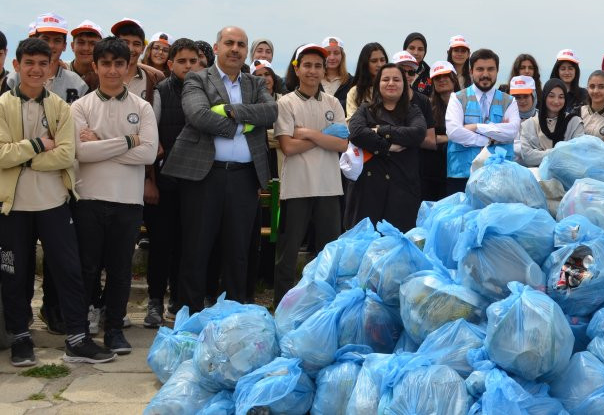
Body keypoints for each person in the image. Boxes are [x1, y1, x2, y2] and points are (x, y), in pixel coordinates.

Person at [0, 38, 115, 366]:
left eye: (43, 63)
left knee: (69, 271)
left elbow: (67, 155)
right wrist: (38, 144)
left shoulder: (61, 107)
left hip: (53, 202)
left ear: (52, 66)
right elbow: (0, 155)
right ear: (17, 66)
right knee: (14, 273)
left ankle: (77, 339)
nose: (36, 70)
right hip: (13, 206)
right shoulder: (2, 105)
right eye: (29, 63)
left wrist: (20, 155)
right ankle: (21, 338)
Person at [161, 26, 278, 311]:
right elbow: (199, 115)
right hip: (204, 176)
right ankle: (189, 316)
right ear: (216, 48)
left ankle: (233, 317)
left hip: (244, 178)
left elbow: (271, 112)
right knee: (196, 249)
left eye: (241, 44)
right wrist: (246, 123)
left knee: (238, 252)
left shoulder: (256, 83)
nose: (235, 49)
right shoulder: (197, 78)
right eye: (229, 43)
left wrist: (227, 110)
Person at [72, 37, 157, 355]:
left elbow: (148, 154)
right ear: (95, 66)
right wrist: (128, 141)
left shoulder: (142, 107)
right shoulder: (81, 106)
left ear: (127, 66)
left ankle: (115, 330)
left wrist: (100, 142)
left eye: (118, 63)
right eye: (105, 63)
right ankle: (81, 330)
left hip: (128, 201)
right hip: (89, 198)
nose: (112, 70)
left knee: (121, 270)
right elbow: (80, 152)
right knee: (87, 268)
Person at [272, 44, 348, 305]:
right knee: (288, 253)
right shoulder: (286, 103)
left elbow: (343, 145)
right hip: (297, 187)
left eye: (318, 66)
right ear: (297, 69)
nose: (313, 71)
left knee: (328, 253)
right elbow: (288, 147)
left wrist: (307, 133)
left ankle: (326, 306)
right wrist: (325, 136)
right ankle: (282, 306)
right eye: (307, 65)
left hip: (329, 187)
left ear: (324, 69)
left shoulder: (333, 103)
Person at [145, 38, 200, 327]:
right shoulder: (161, 92)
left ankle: (179, 300)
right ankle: (155, 299)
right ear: (170, 64)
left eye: (193, 61)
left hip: (196, 182)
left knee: (187, 244)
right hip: (165, 180)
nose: (188, 66)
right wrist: (150, 181)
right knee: (161, 244)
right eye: (182, 61)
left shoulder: (206, 91)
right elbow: (151, 141)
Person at [345, 63, 427, 231]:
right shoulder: (365, 109)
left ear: (404, 84)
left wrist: (381, 130)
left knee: (399, 241)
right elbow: (356, 133)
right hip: (368, 190)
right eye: (386, 79)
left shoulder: (413, 111)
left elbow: (418, 133)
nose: (391, 83)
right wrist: (387, 146)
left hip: (402, 188)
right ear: (377, 84)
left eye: (396, 79)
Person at [445, 49, 519, 194]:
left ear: (497, 71)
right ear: (471, 71)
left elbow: (512, 131)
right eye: (480, 69)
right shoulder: (457, 98)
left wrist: (475, 127)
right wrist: (489, 139)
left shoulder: (509, 101)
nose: (485, 74)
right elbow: (454, 132)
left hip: (500, 175)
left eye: (490, 69)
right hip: (462, 175)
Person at [5, 13, 88, 104]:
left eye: (57, 40)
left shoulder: (77, 83)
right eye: (45, 39)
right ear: (34, 40)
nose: (51, 45)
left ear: (64, 46)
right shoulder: (13, 79)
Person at [392, 51, 438, 200]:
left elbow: (431, 142)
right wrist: (414, 135)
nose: (406, 75)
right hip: (387, 169)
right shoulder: (380, 99)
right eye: (401, 71)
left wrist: (398, 135)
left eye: (411, 72)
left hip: (415, 170)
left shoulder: (423, 101)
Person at [518, 79, 584, 167]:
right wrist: (561, 152)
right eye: (551, 96)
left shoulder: (575, 122)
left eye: (561, 97)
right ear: (544, 97)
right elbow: (528, 157)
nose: (556, 101)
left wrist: (540, 154)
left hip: (567, 173)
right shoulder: (529, 124)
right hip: (536, 174)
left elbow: (578, 153)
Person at [109, 18, 162, 120]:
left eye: (136, 44)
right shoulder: (98, 77)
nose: (130, 49)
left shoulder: (152, 80)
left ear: (143, 48)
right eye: (125, 42)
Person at [423, 61, 459, 201]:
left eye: (446, 76)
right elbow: (423, 138)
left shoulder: (467, 103)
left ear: (454, 78)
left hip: (458, 170)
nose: (442, 80)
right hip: (431, 170)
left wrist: (442, 138)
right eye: (437, 77)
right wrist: (454, 136)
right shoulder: (427, 106)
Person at [344, 42, 388, 120]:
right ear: (365, 64)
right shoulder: (355, 92)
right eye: (374, 61)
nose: (380, 64)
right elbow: (352, 121)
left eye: (382, 60)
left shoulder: (391, 87)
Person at [549, 49, 588, 115]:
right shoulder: (548, 93)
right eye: (563, 69)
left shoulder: (584, 94)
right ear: (557, 71)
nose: (567, 72)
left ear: (576, 71)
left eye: (570, 68)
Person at [68, 21, 103, 92]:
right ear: (72, 46)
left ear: (101, 47)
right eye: (81, 42)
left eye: (92, 43)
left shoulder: (108, 75)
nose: (86, 48)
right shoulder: (60, 72)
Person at [320, 36, 351, 109]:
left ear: (342, 56)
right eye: (328, 53)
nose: (332, 57)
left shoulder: (352, 82)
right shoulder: (314, 81)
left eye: (336, 53)